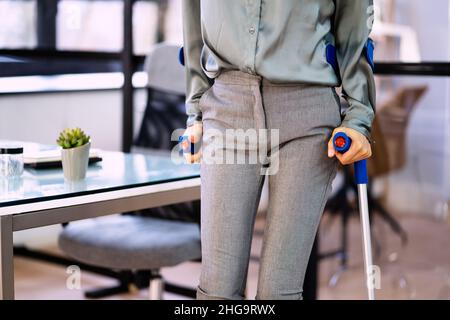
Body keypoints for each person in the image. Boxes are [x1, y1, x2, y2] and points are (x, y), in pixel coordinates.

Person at [181, 0, 375, 300]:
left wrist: (358, 116)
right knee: (217, 289)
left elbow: (354, 26)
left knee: (278, 291)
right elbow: (193, 22)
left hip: (307, 109)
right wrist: (195, 110)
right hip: (227, 107)